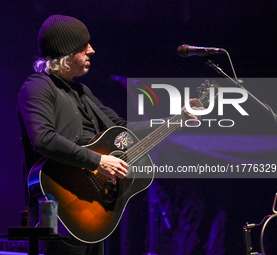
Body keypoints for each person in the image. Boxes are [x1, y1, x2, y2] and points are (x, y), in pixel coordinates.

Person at [17, 14, 201, 255]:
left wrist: (177, 119)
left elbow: (123, 128)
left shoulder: (83, 92)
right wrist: (99, 161)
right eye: (84, 46)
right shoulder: (38, 87)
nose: (91, 50)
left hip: (94, 210)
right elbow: (43, 138)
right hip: (61, 207)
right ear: (66, 50)